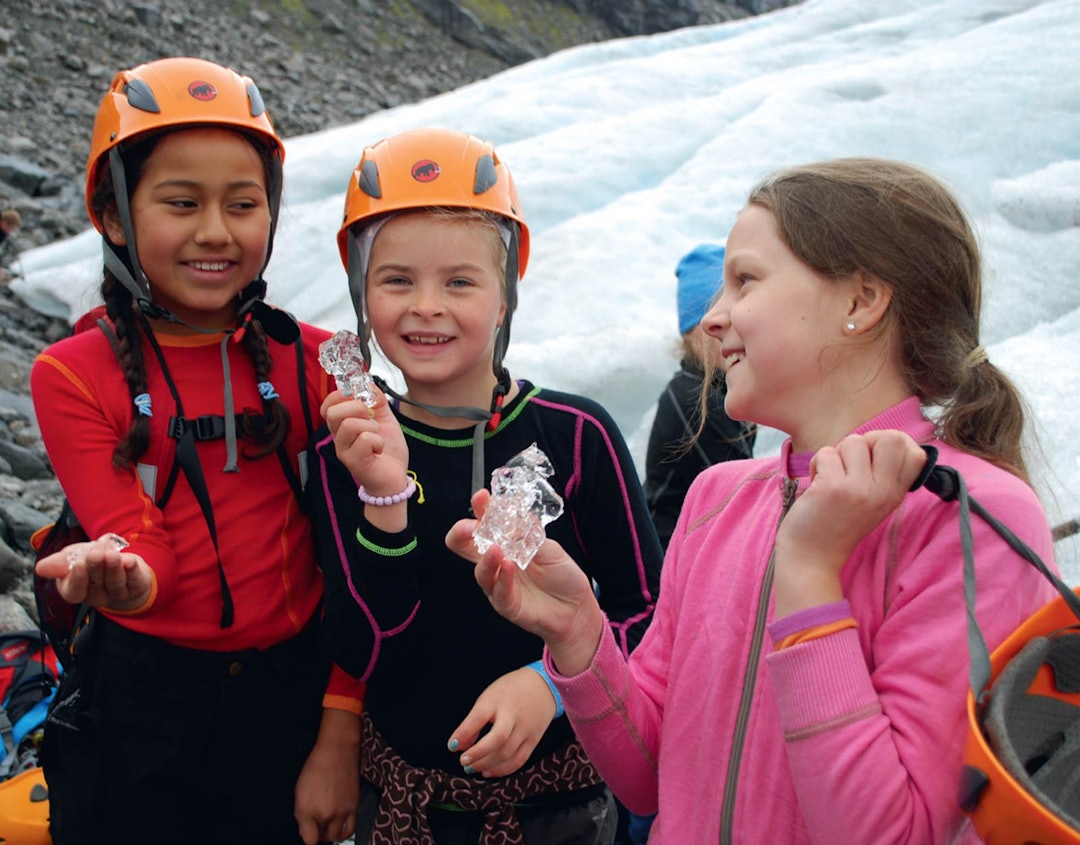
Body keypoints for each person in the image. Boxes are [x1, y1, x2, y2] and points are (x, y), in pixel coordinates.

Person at [446, 157, 1061, 843]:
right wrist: (578, 633)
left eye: (745, 280)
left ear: (860, 301)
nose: (712, 318)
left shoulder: (972, 516)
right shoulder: (717, 499)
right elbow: (651, 775)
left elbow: (894, 833)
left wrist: (809, 571)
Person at [30, 57, 363, 845]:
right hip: (139, 703)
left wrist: (341, 731)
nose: (217, 231)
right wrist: (124, 577)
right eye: (182, 202)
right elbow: (141, 539)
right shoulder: (72, 374)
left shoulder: (319, 362)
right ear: (113, 215)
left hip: (290, 706)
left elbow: (362, 567)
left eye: (243, 204)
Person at [310, 127, 664, 844]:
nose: (426, 305)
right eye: (396, 279)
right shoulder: (345, 448)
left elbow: (650, 614)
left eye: (461, 281)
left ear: (506, 294)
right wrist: (383, 497)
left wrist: (552, 684)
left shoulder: (576, 435)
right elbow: (370, 649)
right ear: (361, 293)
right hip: (403, 807)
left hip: (558, 809)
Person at [643, 242, 756, 550]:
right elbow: (751, 498)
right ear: (689, 334)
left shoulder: (725, 387)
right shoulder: (695, 397)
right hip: (666, 558)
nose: (723, 328)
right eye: (708, 320)